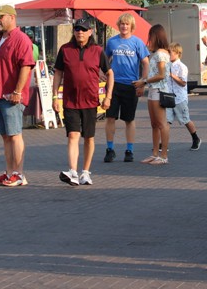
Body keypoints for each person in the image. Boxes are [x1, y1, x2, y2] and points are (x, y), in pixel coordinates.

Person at [53, 17, 114, 186]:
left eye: (83, 29)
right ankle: (72, 171)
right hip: (70, 100)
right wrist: (54, 96)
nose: (80, 32)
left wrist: (108, 96)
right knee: (73, 135)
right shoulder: (65, 50)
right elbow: (58, 73)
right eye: (77, 29)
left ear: (90, 32)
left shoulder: (97, 50)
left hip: (90, 100)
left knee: (89, 137)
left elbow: (109, 73)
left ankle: (85, 172)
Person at [0, 4, 35, 187]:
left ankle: (19, 173)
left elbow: (26, 66)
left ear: (12, 17)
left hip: (12, 97)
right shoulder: (0, 40)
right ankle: (9, 173)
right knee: (6, 136)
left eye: (1, 16)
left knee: (15, 135)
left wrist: (17, 91)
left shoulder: (21, 39)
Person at [104, 13, 149, 163]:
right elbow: (103, 60)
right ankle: (110, 149)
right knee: (110, 117)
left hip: (131, 85)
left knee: (129, 119)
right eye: (122, 24)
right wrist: (101, 74)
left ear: (131, 26)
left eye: (127, 24)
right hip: (114, 85)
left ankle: (129, 150)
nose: (124, 26)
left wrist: (142, 81)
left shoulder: (137, 42)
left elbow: (146, 63)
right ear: (118, 25)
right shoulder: (112, 42)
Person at [133, 24, 170, 165]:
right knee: (154, 124)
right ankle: (155, 153)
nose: (149, 40)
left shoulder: (161, 54)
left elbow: (161, 75)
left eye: (151, 36)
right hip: (153, 90)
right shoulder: (158, 53)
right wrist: (144, 81)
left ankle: (164, 155)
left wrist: (144, 81)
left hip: (159, 90)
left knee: (161, 124)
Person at [166, 43, 201, 150]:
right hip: (167, 97)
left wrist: (172, 75)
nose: (168, 54)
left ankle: (196, 138)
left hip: (179, 98)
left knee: (185, 120)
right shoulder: (167, 65)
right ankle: (163, 143)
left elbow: (183, 83)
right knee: (166, 121)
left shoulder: (182, 67)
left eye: (170, 52)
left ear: (177, 53)